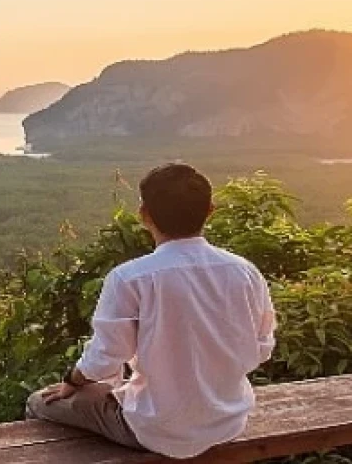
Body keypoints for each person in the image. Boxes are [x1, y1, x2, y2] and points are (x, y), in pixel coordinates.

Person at [25, 163, 276, 459]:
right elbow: (262, 347)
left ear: (144, 215)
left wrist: (71, 382)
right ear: (210, 210)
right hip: (227, 421)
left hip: (155, 428)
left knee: (39, 402)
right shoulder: (244, 272)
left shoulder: (130, 278)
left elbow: (105, 357)